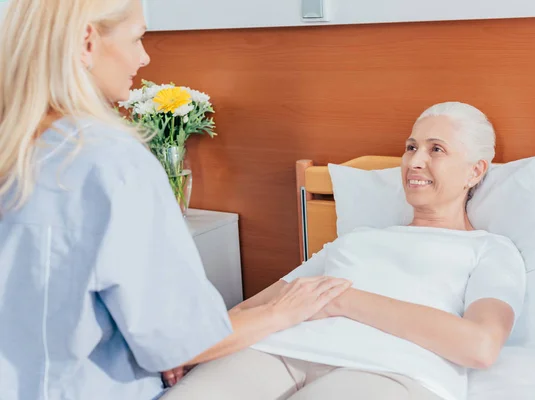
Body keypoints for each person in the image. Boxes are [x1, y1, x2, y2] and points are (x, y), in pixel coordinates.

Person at [0, 1, 350, 399]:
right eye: (137, 38)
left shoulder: (17, 148)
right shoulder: (110, 161)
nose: (144, 56)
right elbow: (183, 342)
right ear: (87, 41)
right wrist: (282, 311)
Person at [161, 102, 527, 400]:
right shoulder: (357, 239)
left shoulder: (490, 250)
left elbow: (480, 346)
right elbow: (255, 308)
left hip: (388, 371)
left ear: (475, 171)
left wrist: (342, 301)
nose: (415, 161)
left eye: (437, 150)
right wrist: (197, 349)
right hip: (277, 352)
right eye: (411, 147)